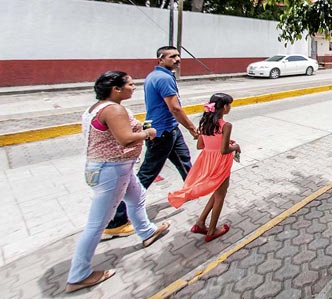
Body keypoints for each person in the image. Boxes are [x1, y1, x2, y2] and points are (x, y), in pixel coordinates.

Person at [66, 71, 171, 294]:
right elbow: (125, 139)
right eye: (130, 84)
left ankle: (147, 231)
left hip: (116, 168)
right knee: (97, 223)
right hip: (110, 171)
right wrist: (148, 133)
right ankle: (79, 275)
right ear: (116, 89)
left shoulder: (97, 107)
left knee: (137, 197)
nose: (134, 87)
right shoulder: (113, 110)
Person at [105, 46, 199, 236]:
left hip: (168, 128)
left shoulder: (155, 76)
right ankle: (117, 219)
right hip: (161, 131)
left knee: (183, 160)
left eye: (178, 55)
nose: (178, 59)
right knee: (147, 173)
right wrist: (192, 128)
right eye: (172, 56)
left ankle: (192, 190)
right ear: (160, 59)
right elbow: (175, 108)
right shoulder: (163, 78)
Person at [168, 93, 240, 242]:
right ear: (224, 107)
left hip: (207, 161)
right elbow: (224, 150)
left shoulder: (204, 123)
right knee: (220, 196)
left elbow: (200, 145)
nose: (230, 107)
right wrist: (236, 147)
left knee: (217, 193)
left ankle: (200, 222)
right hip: (221, 163)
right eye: (229, 105)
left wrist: (220, 143)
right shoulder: (226, 125)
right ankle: (212, 231)